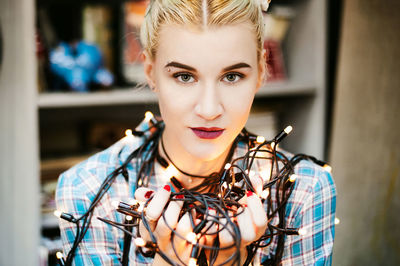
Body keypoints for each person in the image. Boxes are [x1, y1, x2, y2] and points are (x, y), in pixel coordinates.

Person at [56, 0, 336, 265]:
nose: (209, 109)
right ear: (151, 73)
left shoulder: (304, 190)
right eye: (184, 76)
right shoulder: (89, 191)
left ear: (261, 71)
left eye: (232, 76)